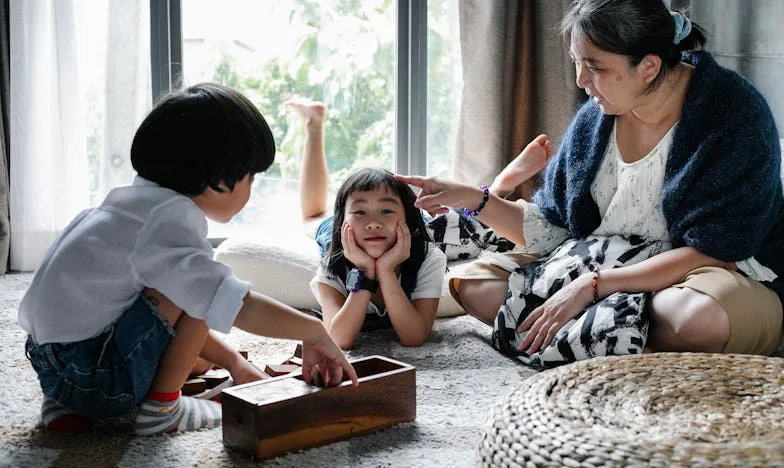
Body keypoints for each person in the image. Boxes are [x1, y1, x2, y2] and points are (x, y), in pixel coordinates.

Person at [398, 0, 784, 365]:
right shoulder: (595, 119)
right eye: (576, 63)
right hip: (602, 259)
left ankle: (594, 336)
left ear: (648, 67)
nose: (582, 80)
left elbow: (717, 251)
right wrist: (473, 198)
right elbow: (553, 228)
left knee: (697, 319)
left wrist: (592, 286)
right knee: (472, 284)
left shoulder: (735, 115)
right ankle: (624, 346)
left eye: (594, 66)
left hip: (699, 277)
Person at [18, 83, 358, 436]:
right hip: (97, 379)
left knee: (186, 313)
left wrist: (236, 365)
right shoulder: (169, 222)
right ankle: (161, 412)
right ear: (218, 182)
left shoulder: (118, 208)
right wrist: (313, 329)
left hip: (49, 366)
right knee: (206, 289)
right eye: (251, 178)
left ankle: (65, 403)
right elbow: (229, 304)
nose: (251, 188)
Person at [284, 98, 448, 350]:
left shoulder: (427, 258)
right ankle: (314, 125)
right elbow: (340, 339)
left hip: (406, 230)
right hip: (348, 237)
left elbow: (414, 337)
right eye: (360, 210)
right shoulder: (334, 259)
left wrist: (386, 272)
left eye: (385, 210)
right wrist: (365, 273)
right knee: (313, 218)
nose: (373, 222)